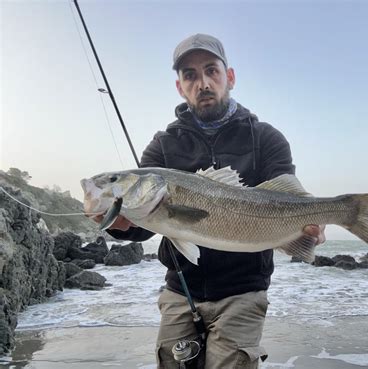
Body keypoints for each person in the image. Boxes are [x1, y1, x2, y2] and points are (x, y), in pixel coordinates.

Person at [98, 33, 326, 369]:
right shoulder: (161, 146)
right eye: (189, 75)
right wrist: (115, 222)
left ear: (229, 77)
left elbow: (289, 200)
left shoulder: (266, 138)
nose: (202, 82)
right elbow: (143, 229)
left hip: (243, 292)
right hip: (181, 289)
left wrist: (309, 229)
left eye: (211, 71)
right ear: (180, 87)